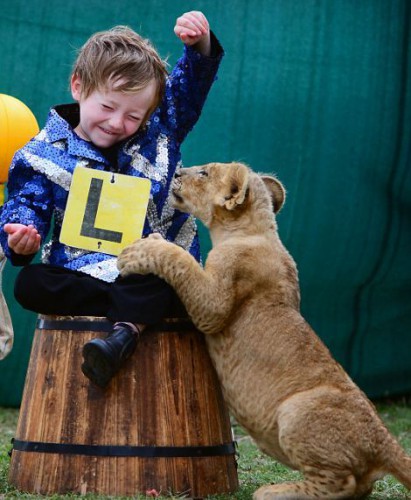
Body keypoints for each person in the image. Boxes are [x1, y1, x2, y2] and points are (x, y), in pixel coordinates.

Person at [0, 11, 224, 388]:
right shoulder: (41, 153)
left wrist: (198, 43)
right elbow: (26, 206)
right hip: (82, 274)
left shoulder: (162, 130)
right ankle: (130, 316)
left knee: (166, 283)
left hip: (153, 270)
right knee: (32, 283)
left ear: (150, 112)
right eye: (107, 107)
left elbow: (191, 85)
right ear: (78, 85)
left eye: (134, 115)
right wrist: (22, 238)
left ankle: (125, 332)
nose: (118, 122)